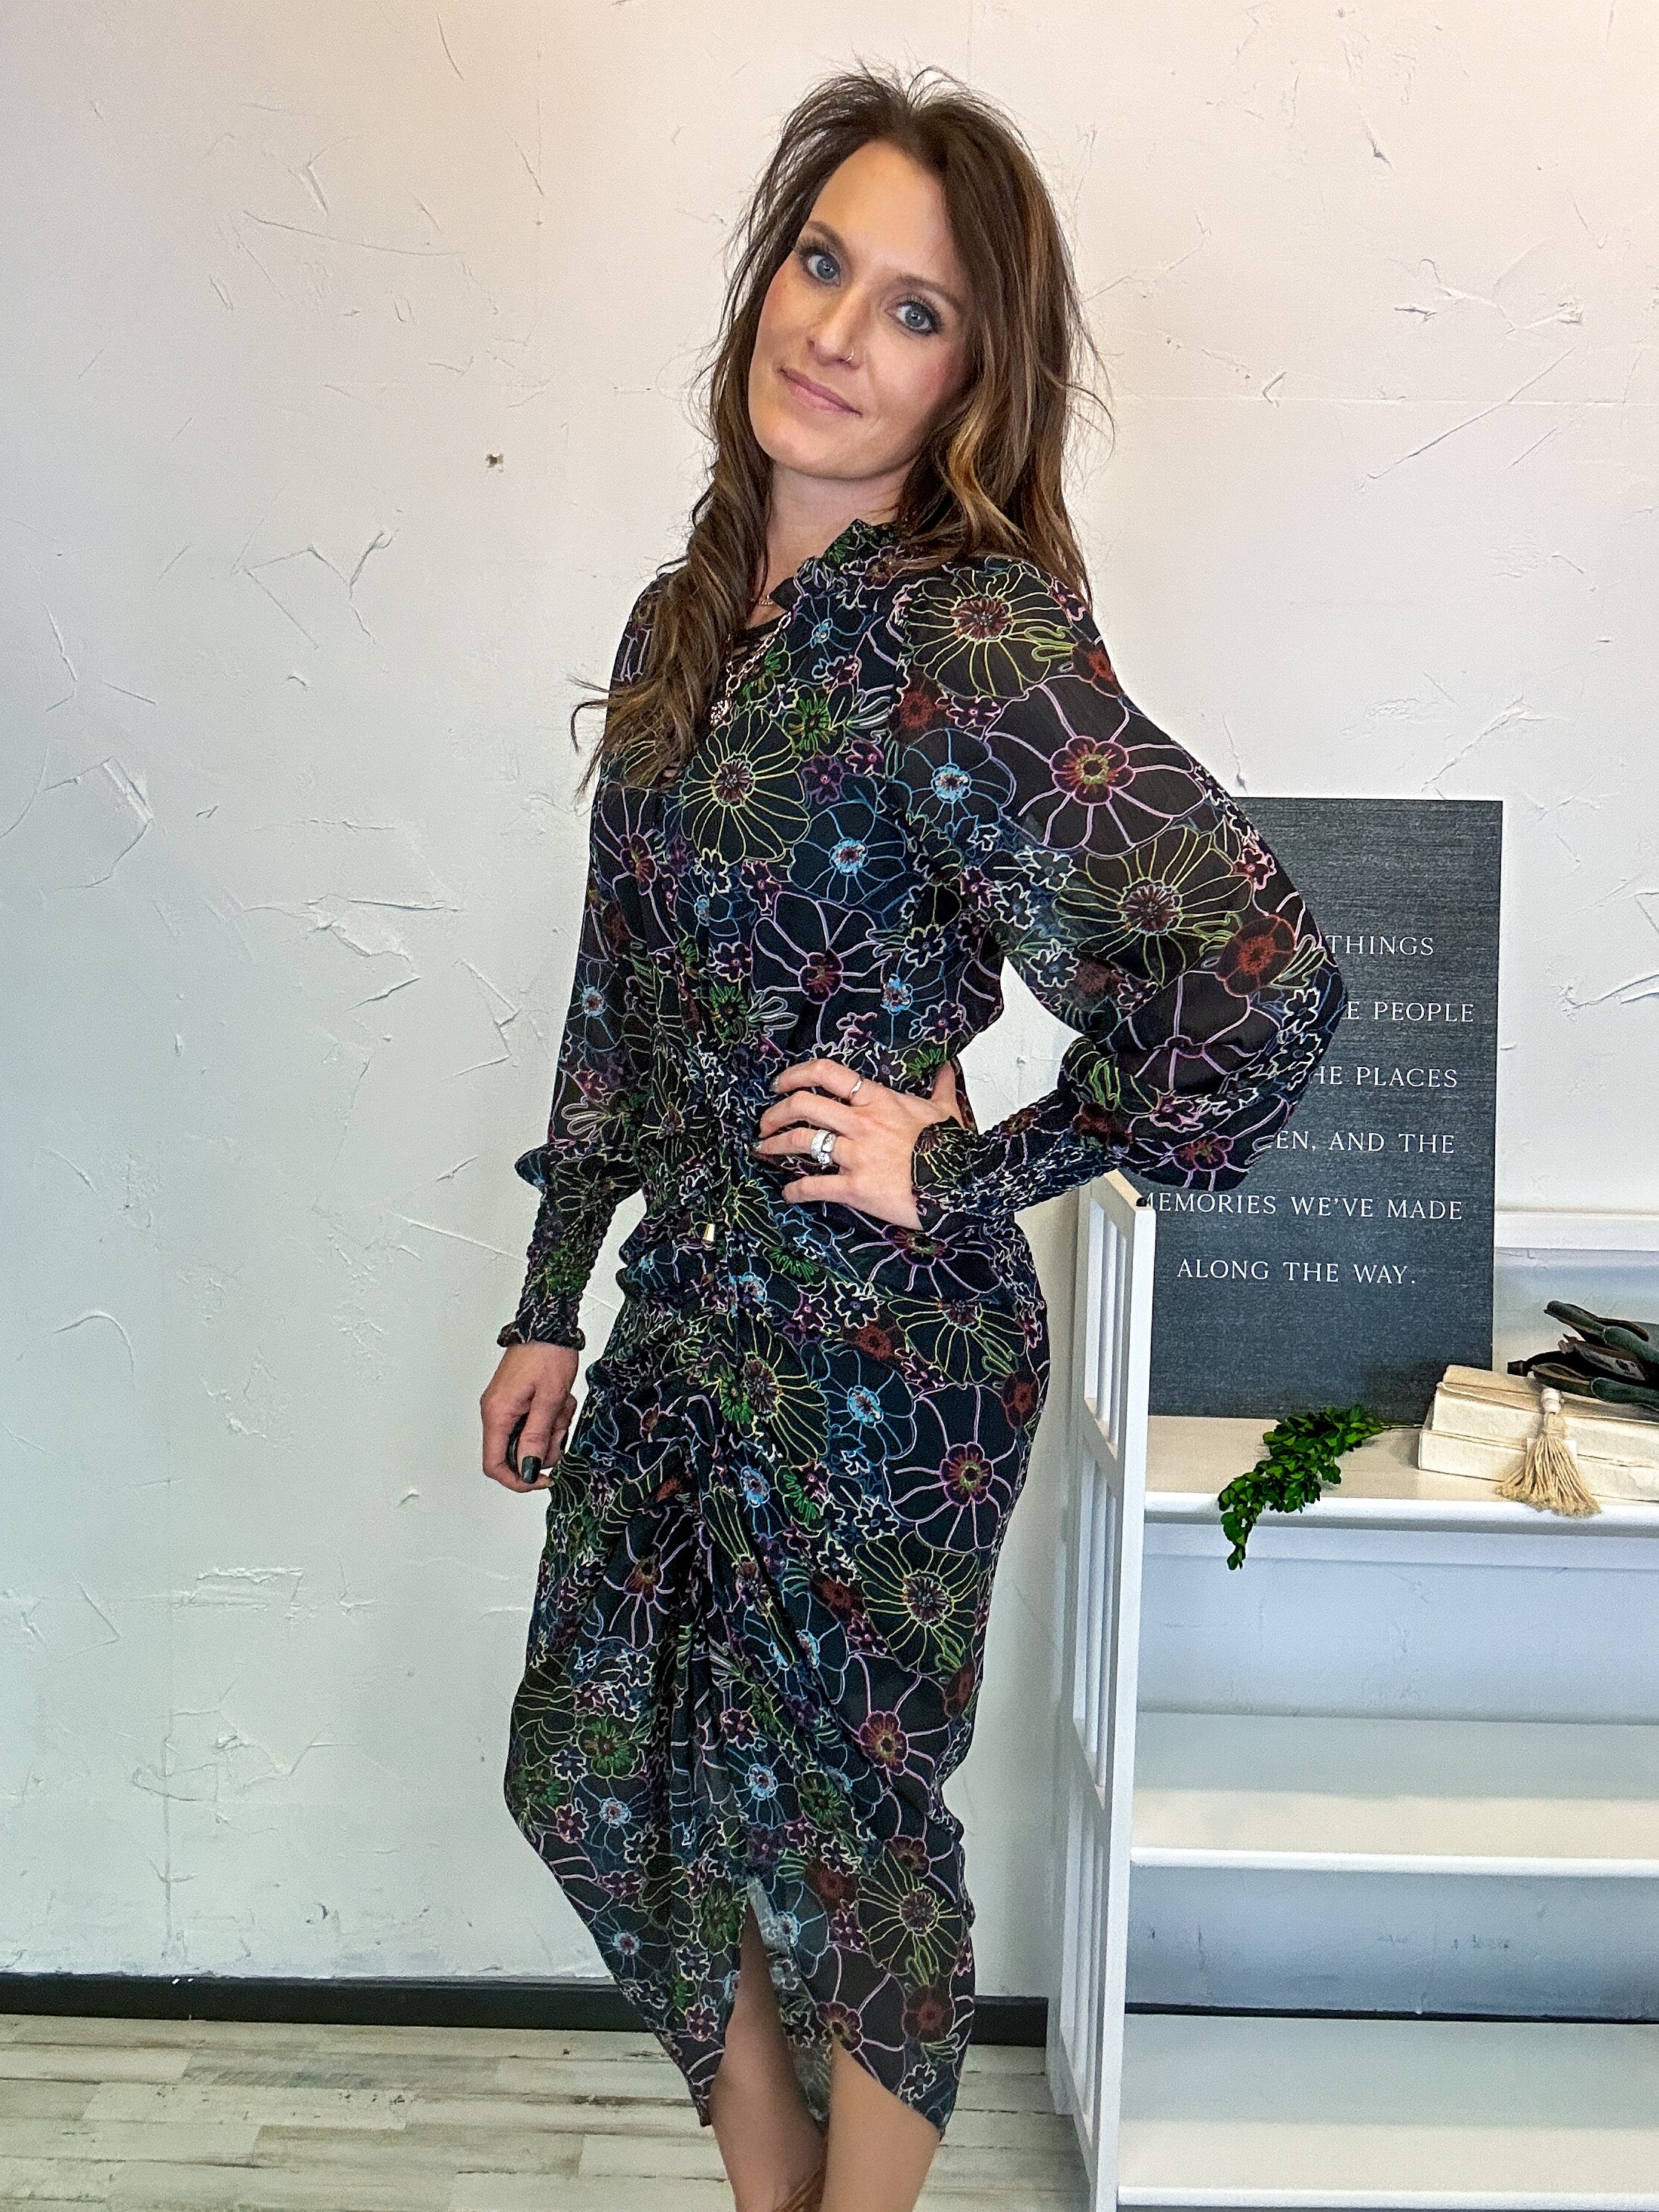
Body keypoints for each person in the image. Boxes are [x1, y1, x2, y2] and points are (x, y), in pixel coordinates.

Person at [479, 64, 1346, 2212]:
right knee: (592, 1773)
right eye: (819, 263)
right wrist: (551, 1301)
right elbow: (615, 999)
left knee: (852, 1845)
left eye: (915, 310)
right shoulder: (684, 623)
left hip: (883, 1352)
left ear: (973, 379)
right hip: (691, 1321)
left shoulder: (966, 635)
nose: (836, 332)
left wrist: (961, 1167)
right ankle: (775, 2189)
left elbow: (1260, 974)